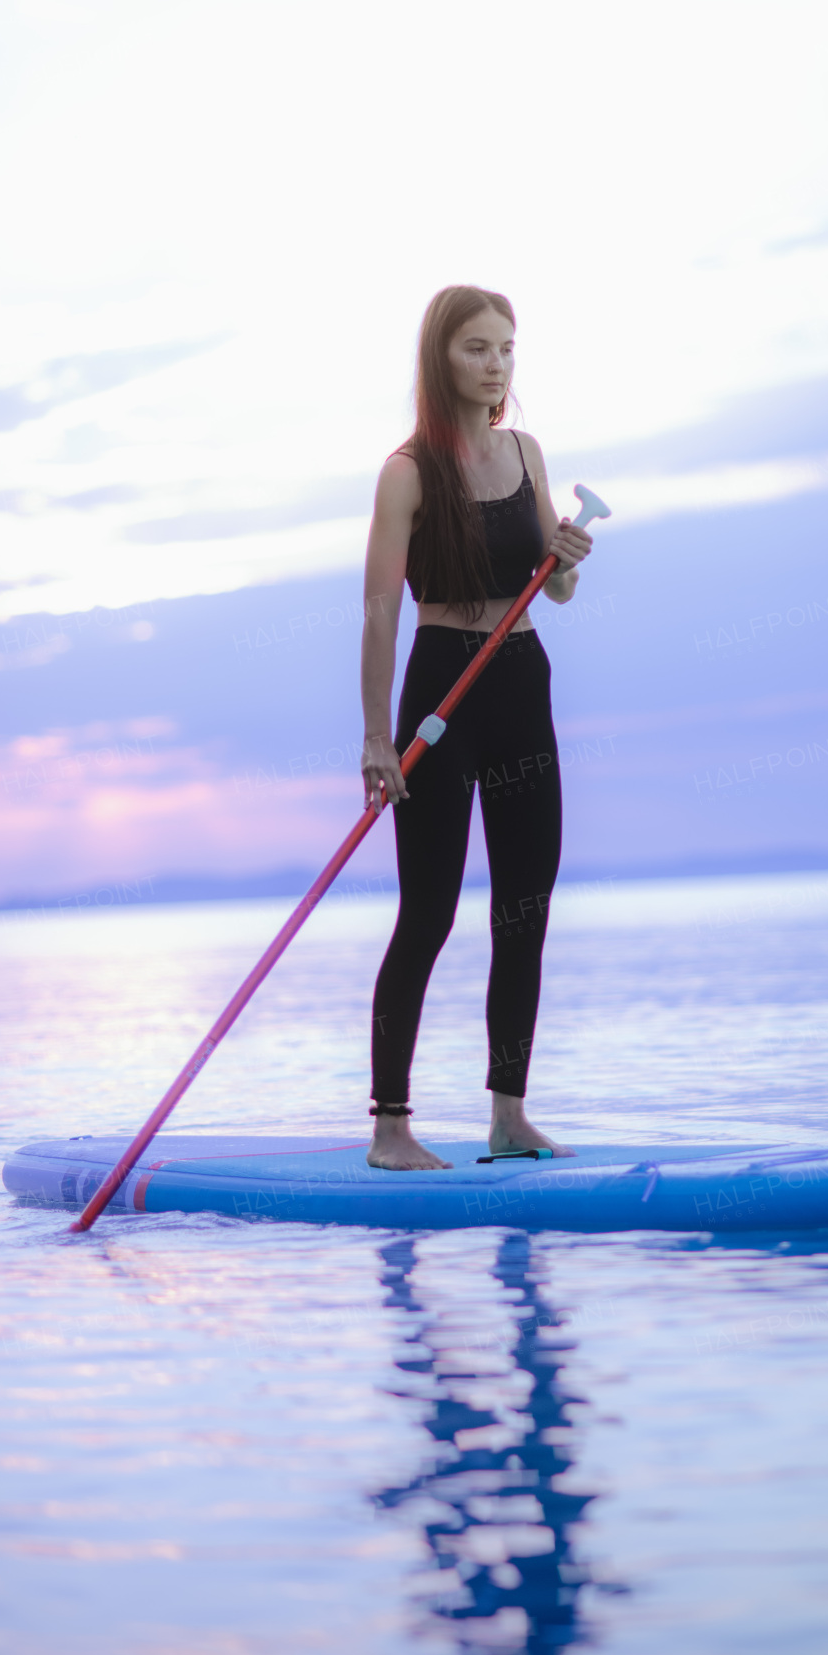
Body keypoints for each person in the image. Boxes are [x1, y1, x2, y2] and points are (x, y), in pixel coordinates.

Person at [360, 285, 594, 1170]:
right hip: (441, 693)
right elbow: (381, 612)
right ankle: (390, 1127)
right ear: (440, 359)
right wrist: (379, 737)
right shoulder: (408, 472)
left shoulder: (528, 454)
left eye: (505, 348)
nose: (496, 363)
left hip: (521, 684)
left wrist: (565, 562)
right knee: (427, 913)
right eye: (476, 348)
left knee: (524, 912)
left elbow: (554, 593)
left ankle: (507, 1115)